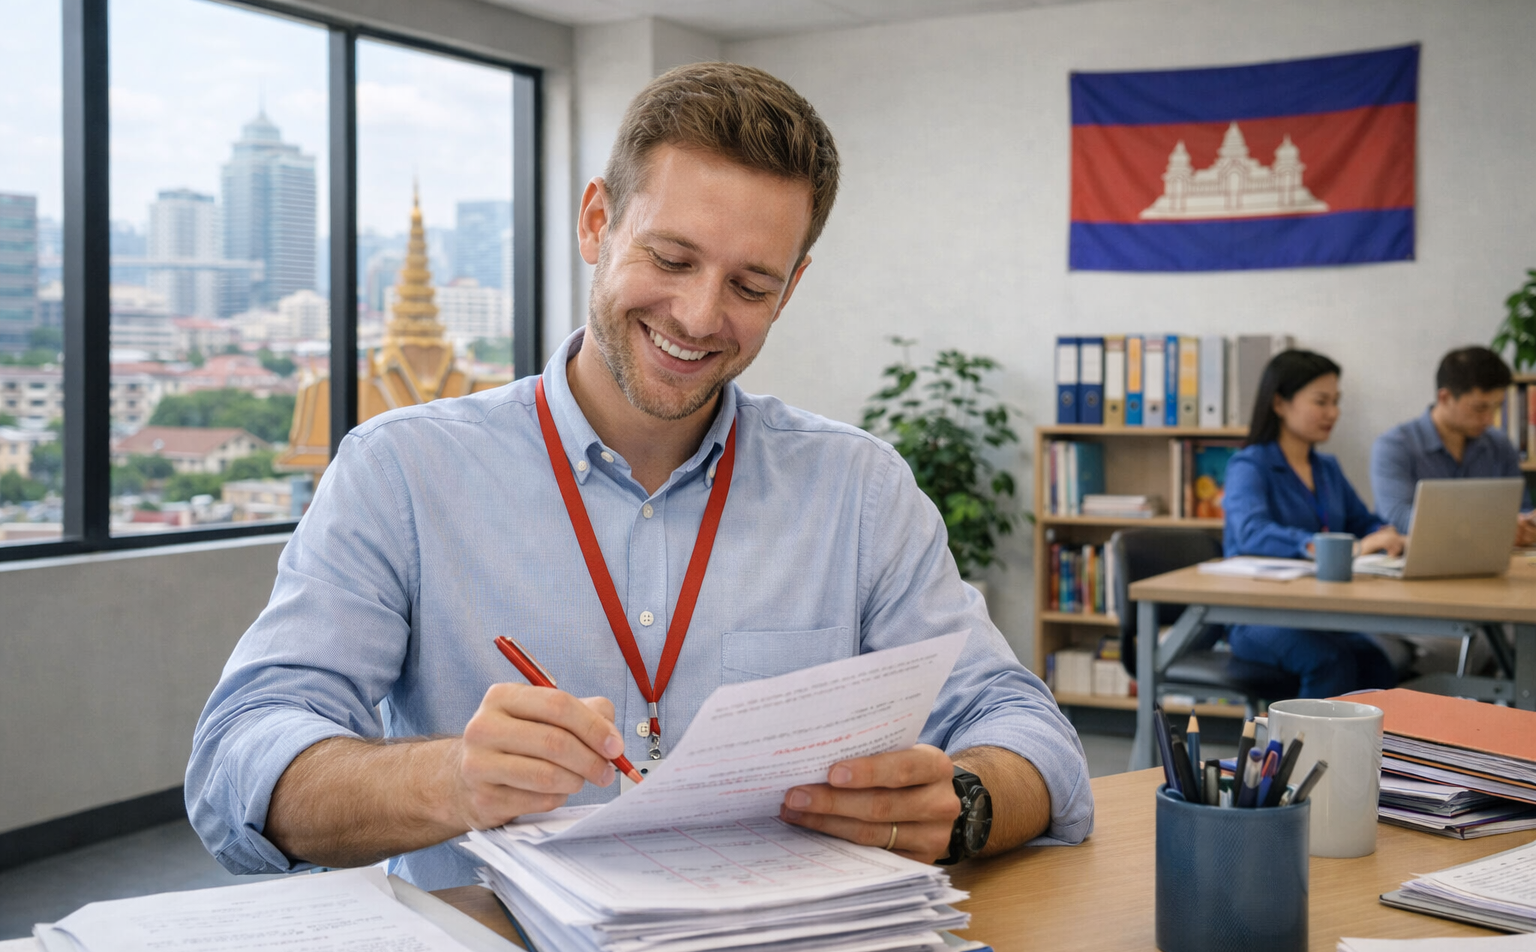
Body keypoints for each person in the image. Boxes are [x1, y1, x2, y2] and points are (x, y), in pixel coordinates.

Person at [185, 63, 1091, 891]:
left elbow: (1028, 730)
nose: (699, 317)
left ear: (793, 286)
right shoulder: (403, 472)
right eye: (670, 259)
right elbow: (240, 762)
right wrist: (446, 777)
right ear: (596, 223)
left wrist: (964, 801)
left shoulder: (859, 491)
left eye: (751, 285)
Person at [1223, 350, 1406, 698]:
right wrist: (1339, 548)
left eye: (1336, 402)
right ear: (1279, 403)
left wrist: (1386, 535)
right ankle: (1308, 754)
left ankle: (1371, 754)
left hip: (1318, 612)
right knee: (1331, 660)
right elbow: (1252, 533)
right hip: (1256, 616)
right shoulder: (1249, 465)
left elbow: (1364, 522)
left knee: (1376, 662)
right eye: (1321, 401)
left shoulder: (1327, 469)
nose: (1333, 413)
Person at [1370, 346, 1536, 544]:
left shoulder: (1499, 445)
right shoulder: (1394, 446)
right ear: (1445, 398)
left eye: (1497, 407)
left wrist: (1525, 525)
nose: (1490, 419)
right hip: (1423, 563)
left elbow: (1521, 507)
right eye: (1480, 408)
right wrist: (1486, 526)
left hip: (1491, 562)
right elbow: (1398, 518)